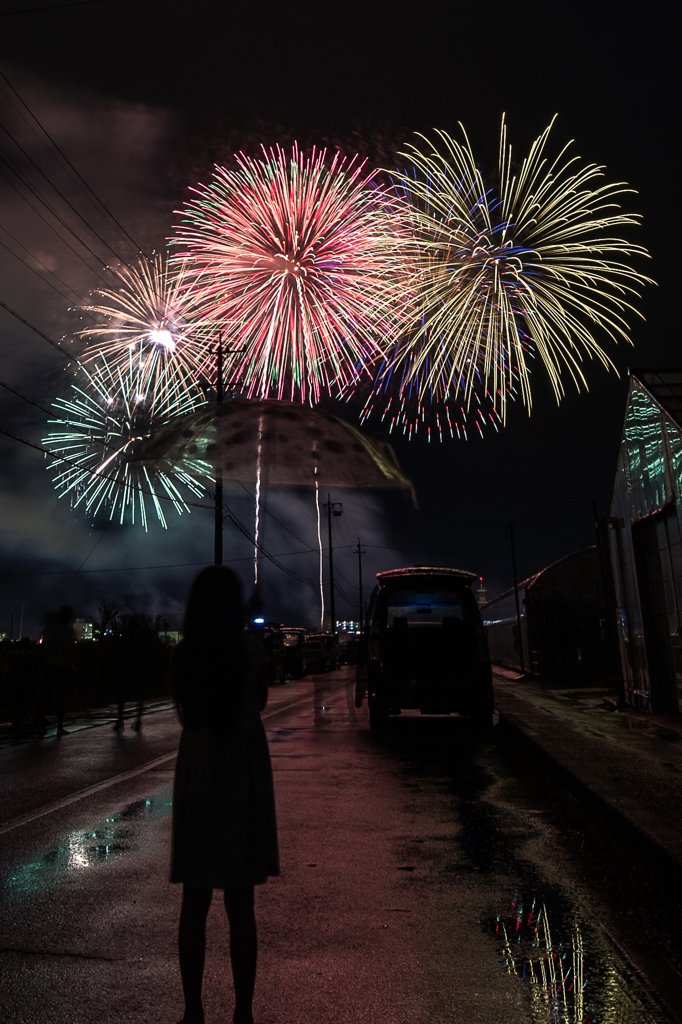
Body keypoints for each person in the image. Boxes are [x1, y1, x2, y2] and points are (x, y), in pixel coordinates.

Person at [170, 567, 279, 1024]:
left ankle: (193, 1009)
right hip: (240, 770)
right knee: (240, 904)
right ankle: (242, 1012)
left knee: (194, 901)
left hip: (197, 771)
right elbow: (259, 703)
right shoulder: (249, 653)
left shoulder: (183, 657)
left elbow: (183, 710)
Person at [40, 604, 76, 736]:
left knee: (46, 696)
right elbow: (70, 652)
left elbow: (44, 648)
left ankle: (42, 726)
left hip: (49, 666)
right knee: (60, 698)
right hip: (61, 668)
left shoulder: (50, 630)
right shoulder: (69, 632)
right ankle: (59, 727)